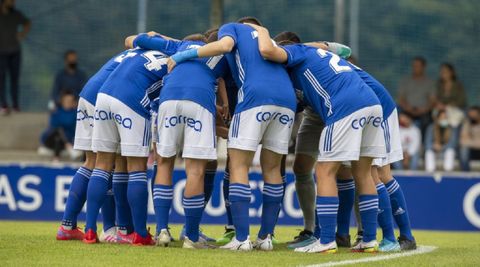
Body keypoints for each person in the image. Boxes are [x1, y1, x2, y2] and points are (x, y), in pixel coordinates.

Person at [248, 24, 386, 253]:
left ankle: (326, 240)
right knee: (362, 172)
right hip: (371, 104)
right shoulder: (317, 53)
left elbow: (268, 51)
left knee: (324, 171)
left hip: (345, 107)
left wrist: (259, 31)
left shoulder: (296, 52)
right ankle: (369, 239)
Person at [168, 17, 297, 251]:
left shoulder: (232, 29)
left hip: (256, 95)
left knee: (238, 165)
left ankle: (242, 239)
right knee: (272, 168)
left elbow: (224, 46)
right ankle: (266, 238)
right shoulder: (266, 38)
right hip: (286, 100)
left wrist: (182, 56)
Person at [131, 32, 229, 249]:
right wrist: (225, 102)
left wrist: (141, 38)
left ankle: (162, 231)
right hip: (199, 102)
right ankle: (191, 237)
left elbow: (135, 39)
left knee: (164, 163)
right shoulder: (221, 54)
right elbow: (222, 79)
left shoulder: (178, 46)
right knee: (195, 170)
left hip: (169, 100)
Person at [83, 46, 168, 246]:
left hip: (103, 97)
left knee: (102, 164)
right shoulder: (175, 61)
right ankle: (140, 234)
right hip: (132, 101)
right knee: (137, 168)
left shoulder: (140, 53)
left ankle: (89, 230)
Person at [56, 50, 135, 243]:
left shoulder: (134, 51)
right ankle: (112, 229)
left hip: (88, 93)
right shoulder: (162, 57)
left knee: (92, 161)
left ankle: (67, 226)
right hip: (109, 97)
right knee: (114, 160)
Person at [0, 0, 30, 114]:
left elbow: (27, 23)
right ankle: (3, 104)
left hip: (15, 51)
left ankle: (15, 105)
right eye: (10, 1)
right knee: (1, 78)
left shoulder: (16, 14)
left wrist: (22, 34)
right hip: (1, 52)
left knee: (14, 78)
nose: (13, 2)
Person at [397, 56, 436, 135]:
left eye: (418, 66)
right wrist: (408, 108)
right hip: (407, 110)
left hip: (424, 112)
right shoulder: (405, 81)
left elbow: (432, 100)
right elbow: (400, 99)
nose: (415, 68)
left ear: (423, 67)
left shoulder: (429, 82)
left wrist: (423, 110)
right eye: (414, 66)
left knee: (427, 121)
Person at [39, 90, 80, 161]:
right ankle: (69, 147)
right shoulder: (56, 112)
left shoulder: (75, 113)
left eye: (70, 101)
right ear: (62, 101)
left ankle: (56, 159)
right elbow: (53, 127)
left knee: (57, 139)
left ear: (73, 102)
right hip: (50, 139)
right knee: (57, 130)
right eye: (66, 100)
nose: (68, 103)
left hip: (63, 140)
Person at [459, 106, 480, 171]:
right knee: (463, 150)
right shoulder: (466, 123)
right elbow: (462, 141)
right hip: (471, 151)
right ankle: (466, 174)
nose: (471, 116)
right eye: (470, 114)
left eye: (474, 114)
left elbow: (466, 141)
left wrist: (470, 141)